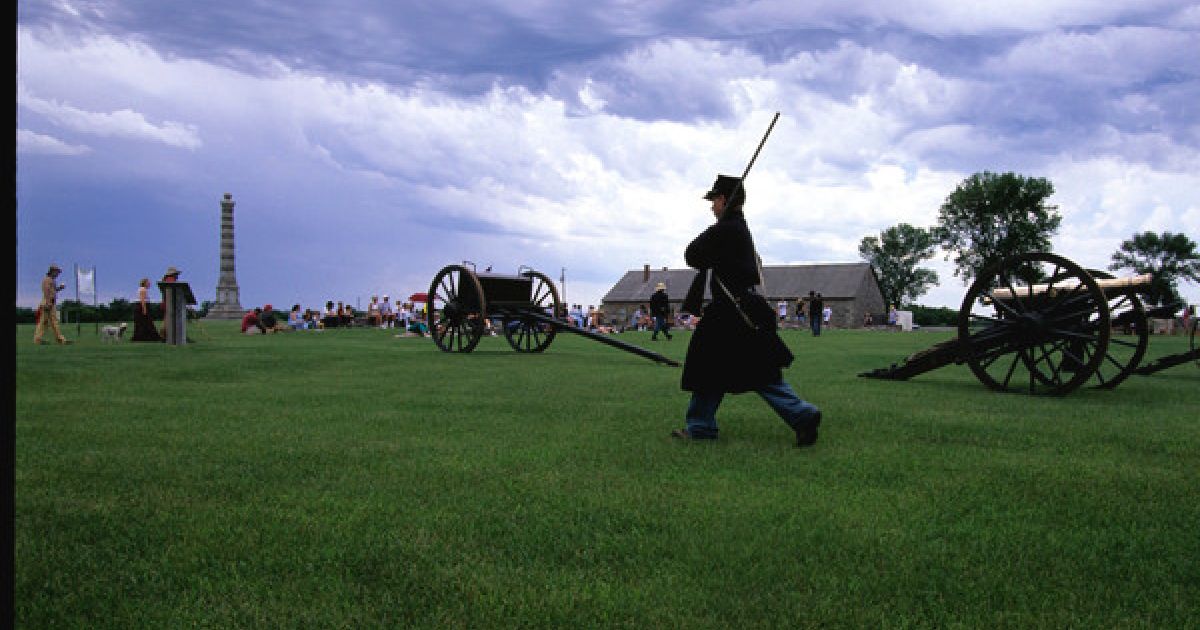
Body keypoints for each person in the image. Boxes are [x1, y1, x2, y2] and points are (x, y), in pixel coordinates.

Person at [672, 174, 821, 446]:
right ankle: (799, 415)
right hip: (740, 310)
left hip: (730, 311)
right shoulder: (736, 228)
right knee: (733, 370)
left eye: (714, 201)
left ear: (723, 200)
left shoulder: (728, 228)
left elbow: (692, 253)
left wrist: (716, 230)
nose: (711, 207)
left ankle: (703, 427)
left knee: (719, 368)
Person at [34, 263, 70, 344]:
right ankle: (38, 339)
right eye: (57, 272)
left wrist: (59, 288)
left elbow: (52, 291)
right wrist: (48, 302)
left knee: (52, 322)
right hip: (48, 303)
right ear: (52, 271)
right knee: (44, 322)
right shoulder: (47, 280)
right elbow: (46, 291)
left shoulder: (51, 280)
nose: (58, 274)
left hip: (51, 303)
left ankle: (60, 339)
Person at [132, 277, 162, 342]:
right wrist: (144, 309)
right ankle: (148, 337)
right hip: (142, 306)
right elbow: (142, 300)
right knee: (146, 322)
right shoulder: (143, 290)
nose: (149, 284)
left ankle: (143, 337)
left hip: (141, 306)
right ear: (145, 283)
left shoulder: (142, 289)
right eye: (148, 283)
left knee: (143, 323)